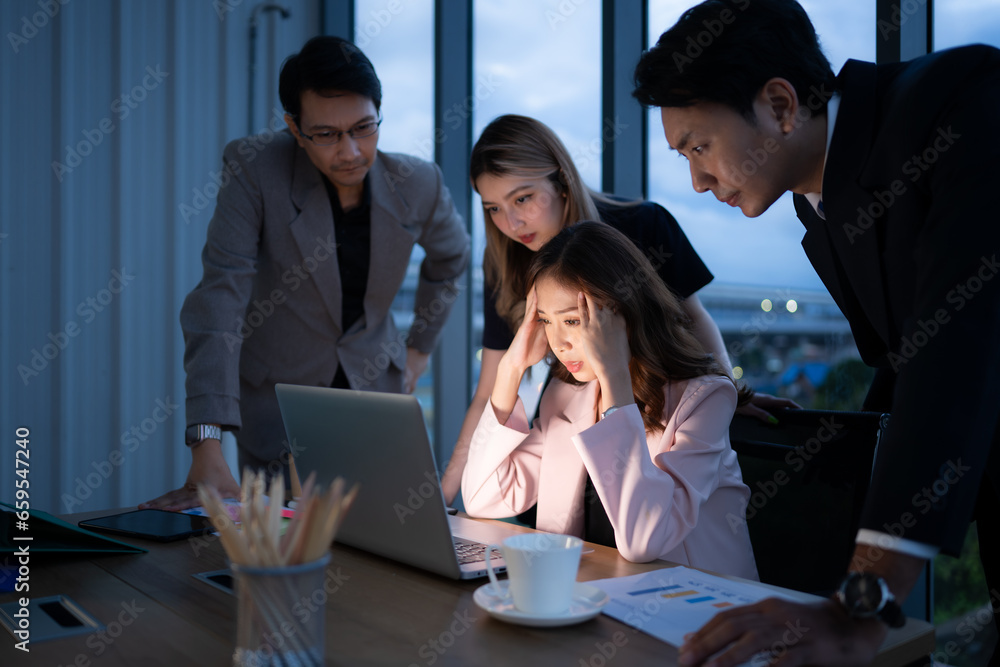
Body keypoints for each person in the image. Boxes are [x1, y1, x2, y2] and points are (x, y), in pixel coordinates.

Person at [633, 1, 1000, 664]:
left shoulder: (958, 101)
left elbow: (956, 352)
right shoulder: (817, 201)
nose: (696, 179)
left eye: (700, 146)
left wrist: (862, 605)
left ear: (780, 105)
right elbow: (902, 360)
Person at [142, 36, 470, 510]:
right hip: (277, 404)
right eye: (327, 134)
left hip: (375, 393)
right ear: (294, 128)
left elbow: (452, 259)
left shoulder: (418, 183)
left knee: (387, 545)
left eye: (364, 127)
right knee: (281, 552)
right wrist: (207, 442)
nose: (351, 151)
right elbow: (220, 297)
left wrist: (419, 348)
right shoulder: (255, 168)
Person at [439, 114, 796, 504]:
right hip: (567, 426)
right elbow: (488, 392)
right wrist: (446, 495)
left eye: (522, 199)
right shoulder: (506, 265)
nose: (511, 222)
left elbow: (693, 320)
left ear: (561, 181)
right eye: (493, 208)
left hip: (658, 424)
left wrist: (729, 395)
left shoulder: (642, 226)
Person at [462, 221, 758, 577]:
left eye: (572, 321)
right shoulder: (567, 394)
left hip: (693, 606)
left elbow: (643, 540)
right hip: (593, 593)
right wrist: (509, 370)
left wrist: (616, 378)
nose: (559, 342)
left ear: (623, 313)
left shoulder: (704, 398)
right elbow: (482, 498)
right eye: (546, 321)